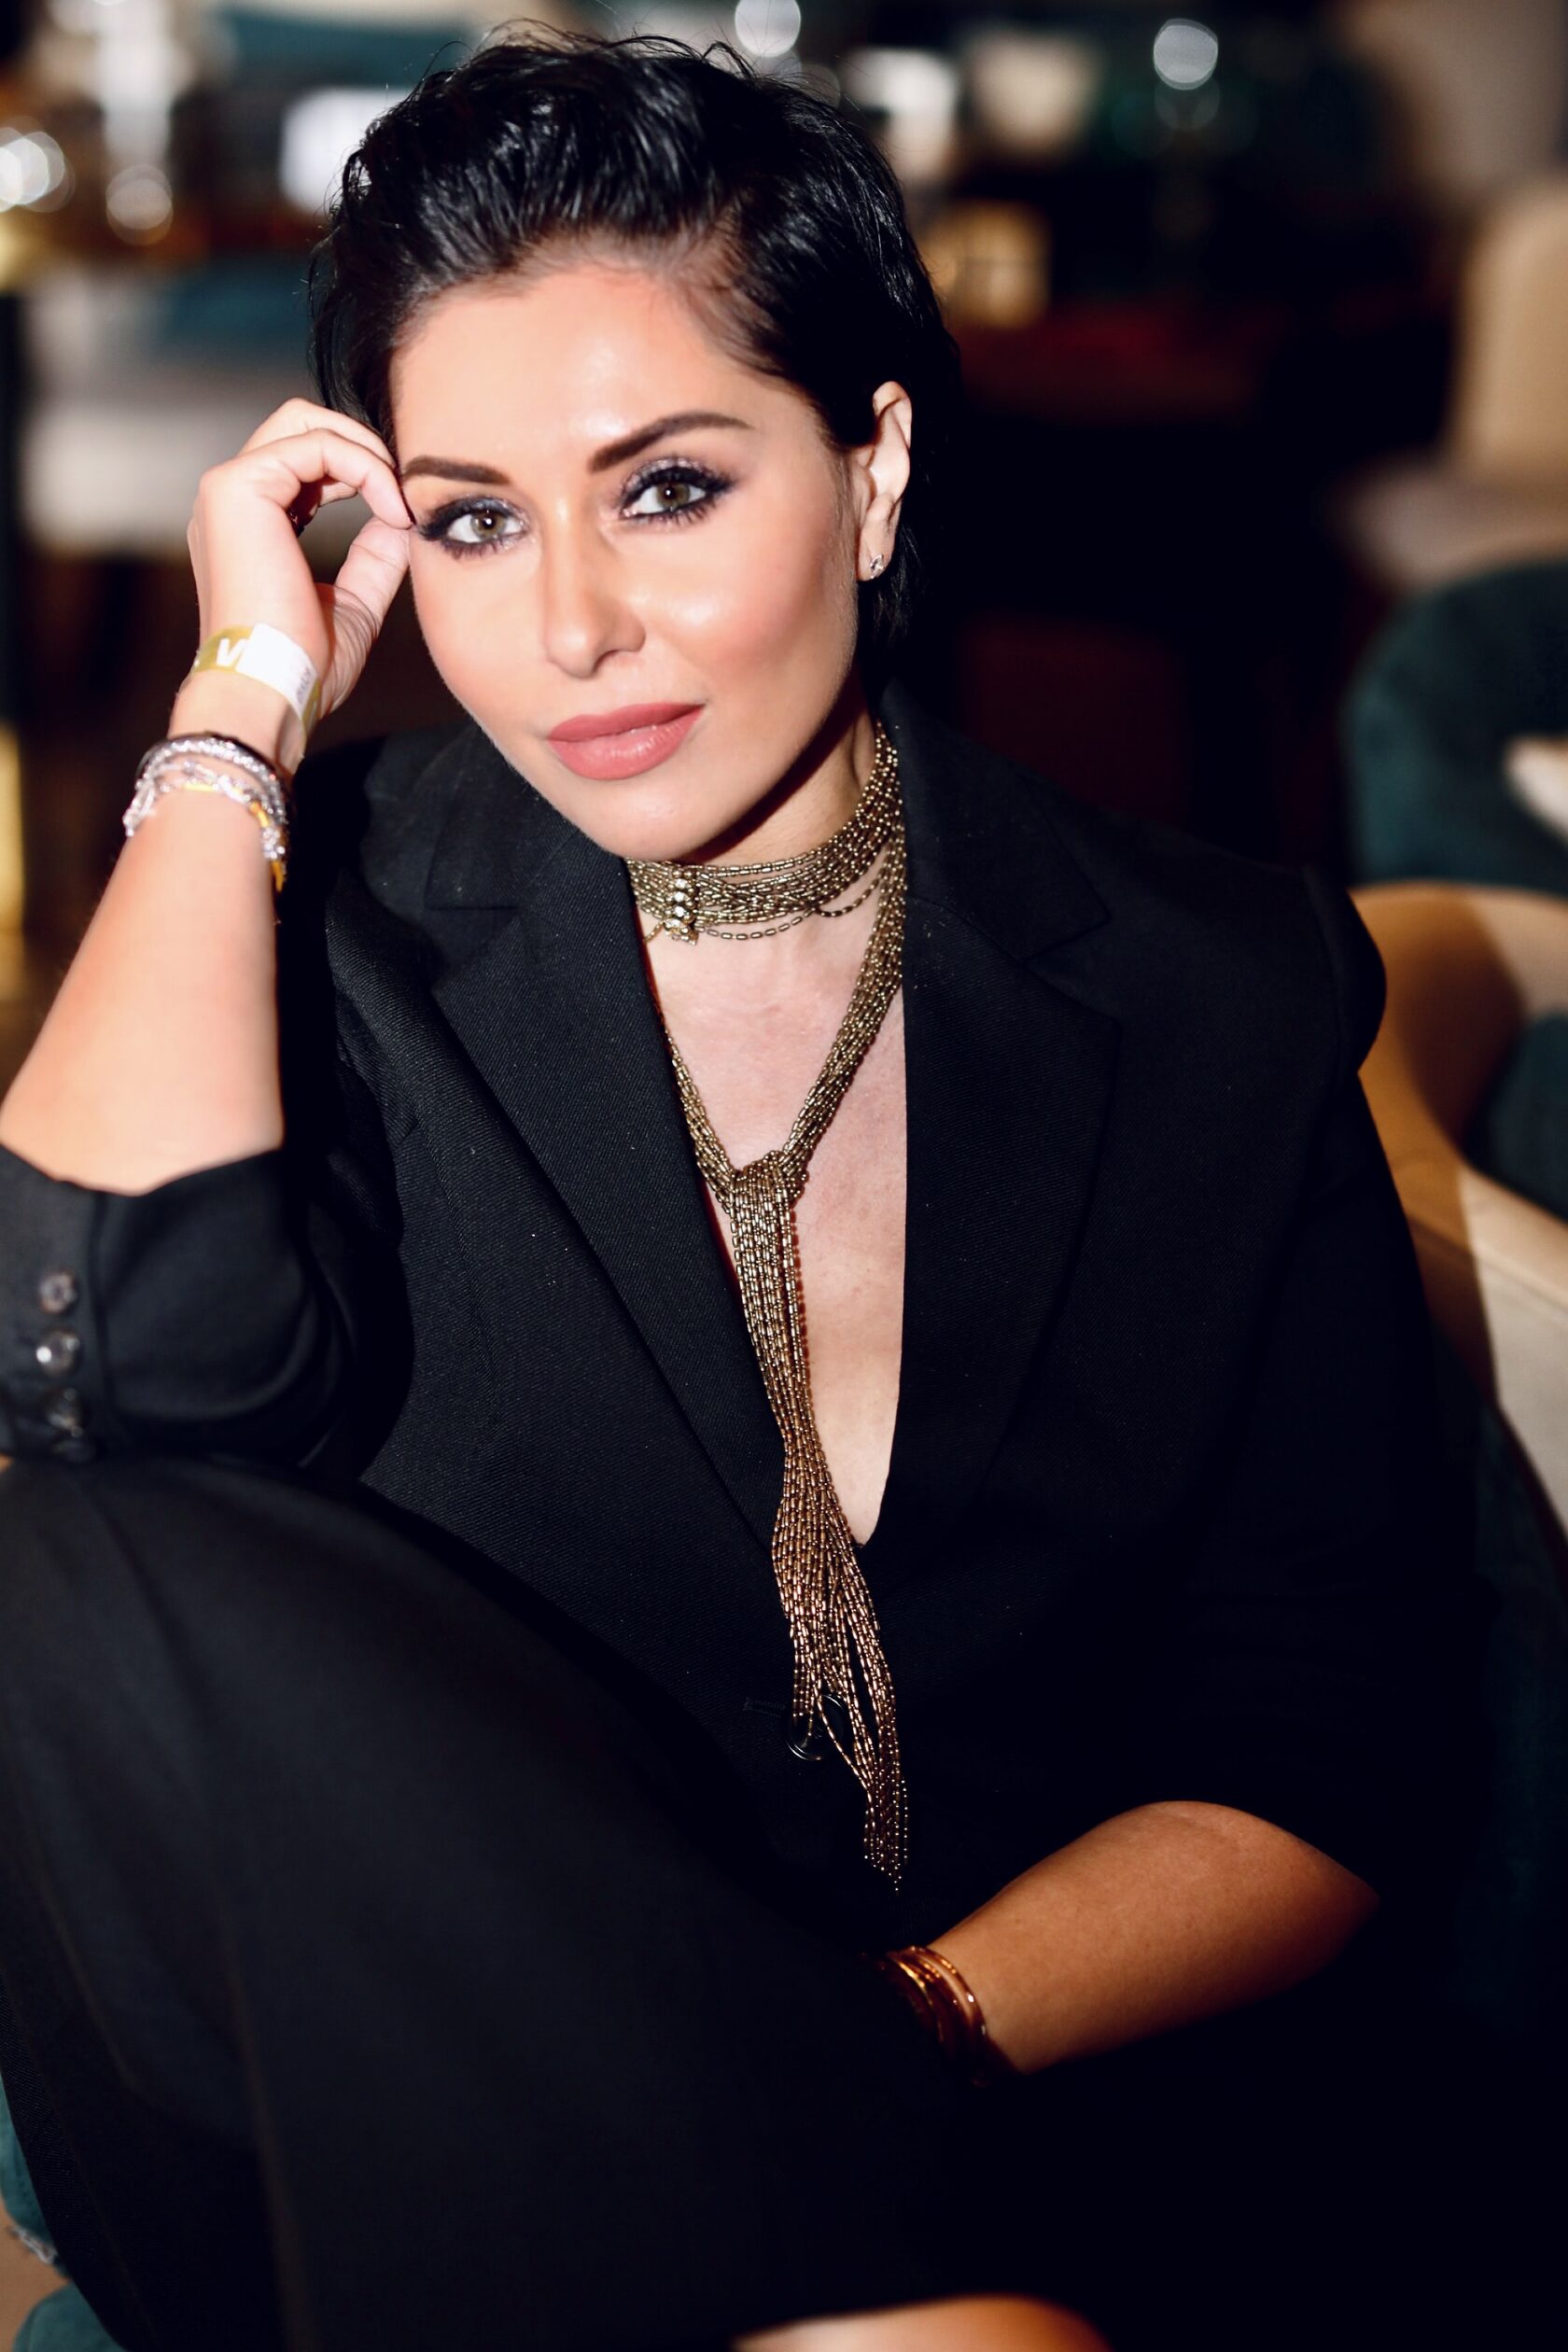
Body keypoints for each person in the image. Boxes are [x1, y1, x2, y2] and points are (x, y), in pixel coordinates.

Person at [0, 27, 1484, 2352]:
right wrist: (241, 704)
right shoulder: (336, 930)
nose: (571, 624)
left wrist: (851, 2060)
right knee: (60, 1548)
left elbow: (1327, 1749)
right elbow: (85, 1359)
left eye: (669, 488)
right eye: (473, 519)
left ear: (873, 469)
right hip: (433, 2164)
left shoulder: (1218, 989)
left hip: (1024, 2111)